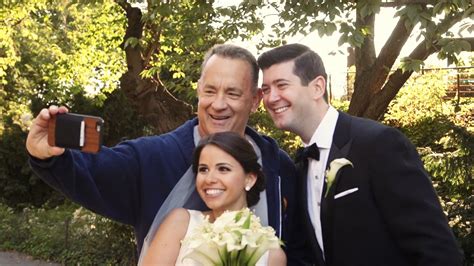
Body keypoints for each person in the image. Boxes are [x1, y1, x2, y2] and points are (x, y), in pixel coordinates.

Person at [26, 44, 298, 262]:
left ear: (254, 101)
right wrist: (50, 157)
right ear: (198, 92)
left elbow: (302, 246)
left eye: (233, 93)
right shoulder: (152, 157)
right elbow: (96, 170)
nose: (218, 104)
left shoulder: (278, 166)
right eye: (210, 91)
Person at [257, 43, 463, 266]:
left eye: (281, 85)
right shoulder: (300, 164)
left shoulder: (379, 144)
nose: (271, 98)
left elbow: (438, 250)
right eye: (266, 89)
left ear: (317, 87)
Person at [141, 132, 286, 265]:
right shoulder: (181, 223)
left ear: (249, 179)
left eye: (223, 169)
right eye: (203, 169)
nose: (209, 179)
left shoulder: (271, 254)